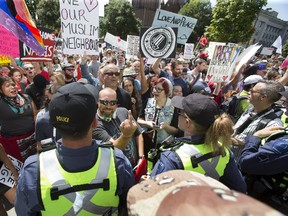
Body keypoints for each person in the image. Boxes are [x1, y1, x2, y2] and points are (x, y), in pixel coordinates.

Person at [15, 82, 134, 215]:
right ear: (95, 122)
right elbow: (129, 207)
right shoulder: (117, 160)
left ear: (54, 124)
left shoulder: (33, 170)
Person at [151, 94, 246, 193]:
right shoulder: (224, 151)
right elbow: (240, 189)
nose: (177, 114)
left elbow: (153, 196)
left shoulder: (172, 157)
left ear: (187, 122)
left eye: (180, 112)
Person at [239, 126, 288, 214]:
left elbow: (246, 163)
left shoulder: (285, 145)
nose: (286, 113)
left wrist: (255, 137)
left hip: (261, 203)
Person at [93, 87, 143, 168]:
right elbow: (115, 149)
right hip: (118, 170)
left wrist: (141, 158)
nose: (108, 106)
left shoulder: (124, 112)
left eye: (112, 103)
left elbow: (138, 134)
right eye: (105, 102)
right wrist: (126, 135)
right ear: (98, 102)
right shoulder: (95, 124)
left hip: (136, 165)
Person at [137, 77, 180, 157]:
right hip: (146, 145)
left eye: (159, 89)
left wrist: (165, 127)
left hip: (164, 147)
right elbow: (139, 120)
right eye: (154, 88)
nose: (155, 91)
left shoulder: (173, 106)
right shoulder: (148, 102)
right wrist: (147, 123)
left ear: (167, 91)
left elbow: (176, 130)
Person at [0, 76, 37, 162]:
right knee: (22, 166)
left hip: (33, 137)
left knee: (35, 161)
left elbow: (35, 114)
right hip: (13, 143)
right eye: (7, 85)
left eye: (13, 84)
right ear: (1, 90)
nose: (12, 87)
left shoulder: (26, 97)